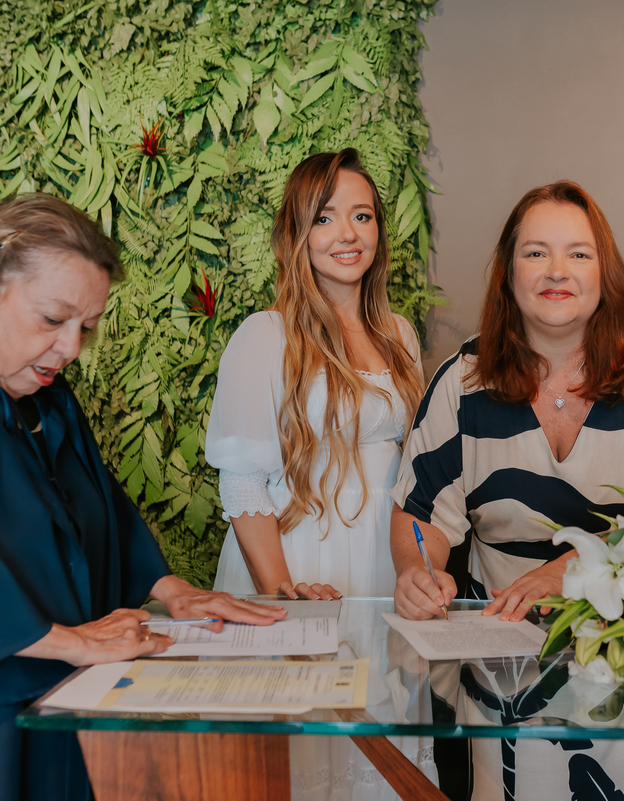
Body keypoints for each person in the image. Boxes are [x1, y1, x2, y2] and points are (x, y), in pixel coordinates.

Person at [0, 194, 286, 801]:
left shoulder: (47, 399)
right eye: (53, 319)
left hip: (67, 701)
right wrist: (69, 641)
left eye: (86, 328)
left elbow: (101, 510)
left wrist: (174, 591)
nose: (71, 349)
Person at [390, 180, 624, 800]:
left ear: (606, 272)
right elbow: (419, 516)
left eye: (578, 253)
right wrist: (418, 569)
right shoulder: (461, 383)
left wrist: (581, 569)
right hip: (505, 691)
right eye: (535, 252)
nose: (556, 271)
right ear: (508, 273)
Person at [204, 148, 433, 799]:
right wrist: (283, 602)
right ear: (296, 235)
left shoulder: (400, 334)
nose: (348, 234)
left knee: (382, 756)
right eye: (326, 218)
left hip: (383, 571)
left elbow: (415, 477)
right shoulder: (264, 336)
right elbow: (242, 483)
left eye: (362, 216)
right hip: (299, 569)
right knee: (303, 757)